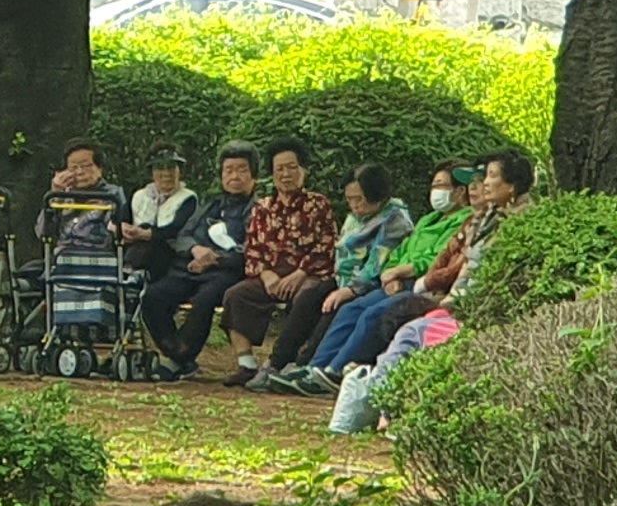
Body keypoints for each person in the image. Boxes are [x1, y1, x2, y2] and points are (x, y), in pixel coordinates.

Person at [273, 148, 535, 395]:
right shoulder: (443, 219)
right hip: (402, 281)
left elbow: (449, 263)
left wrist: (418, 278)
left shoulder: (488, 220)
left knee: (374, 314)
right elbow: (409, 251)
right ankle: (316, 368)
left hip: (430, 288)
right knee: (351, 309)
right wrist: (391, 272)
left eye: (487, 178)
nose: (479, 187)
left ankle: (337, 371)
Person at [244, 162, 411, 389]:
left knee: (332, 308)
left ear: (377, 196)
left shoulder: (394, 220)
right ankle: (276, 362)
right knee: (308, 299)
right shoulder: (355, 217)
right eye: (350, 199)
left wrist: (348, 290)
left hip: (369, 283)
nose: (354, 205)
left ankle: (307, 367)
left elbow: (376, 264)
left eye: (359, 199)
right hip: (341, 277)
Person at [215, 142, 338, 388]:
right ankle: (246, 365)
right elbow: (253, 249)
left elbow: (326, 246)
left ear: (303, 170)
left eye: (292, 167)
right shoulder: (263, 208)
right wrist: (267, 275)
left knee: (307, 298)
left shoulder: (318, 204)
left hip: (308, 273)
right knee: (235, 295)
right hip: (271, 274)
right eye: (279, 169)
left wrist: (300, 274)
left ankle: (286, 362)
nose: (286, 174)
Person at [136, 145, 259, 380]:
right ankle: (178, 352)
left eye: (241, 170)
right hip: (190, 266)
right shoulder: (210, 203)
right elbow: (183, 235)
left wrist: (215, 259)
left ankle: (178, 359)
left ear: (254, 175)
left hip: (226, 271)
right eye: (228, 170)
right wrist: (195, 249)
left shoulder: (258, 209)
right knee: (153, 297)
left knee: (204, 300)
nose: (234, 176)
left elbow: (253, 248)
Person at [118, 151, 197, 278]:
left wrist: (145, 233)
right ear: (152, 173)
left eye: (171, 167)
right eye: (160, 167)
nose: (166, 173)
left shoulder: (188, 198)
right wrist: (125, 230)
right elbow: (120, 220)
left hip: (170, 255)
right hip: (133, 248)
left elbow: (176, 229)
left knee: (150, 239)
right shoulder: (138, 195)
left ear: (180, 171)